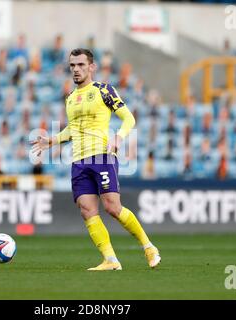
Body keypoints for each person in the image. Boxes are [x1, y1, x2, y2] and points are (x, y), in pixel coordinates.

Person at [31, 48, 160, 271]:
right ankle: (110, 260)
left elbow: (128, 118)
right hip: (78, 161)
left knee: (112, 207)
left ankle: (148, 247)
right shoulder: (70, 98)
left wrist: (118, 138)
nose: (76, 70)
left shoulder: (103, 90)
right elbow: (72, 130)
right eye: (72, 65)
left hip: (101, 156)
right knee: (87, 210)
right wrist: (50, 141)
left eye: (81, 65)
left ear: (92, 67)